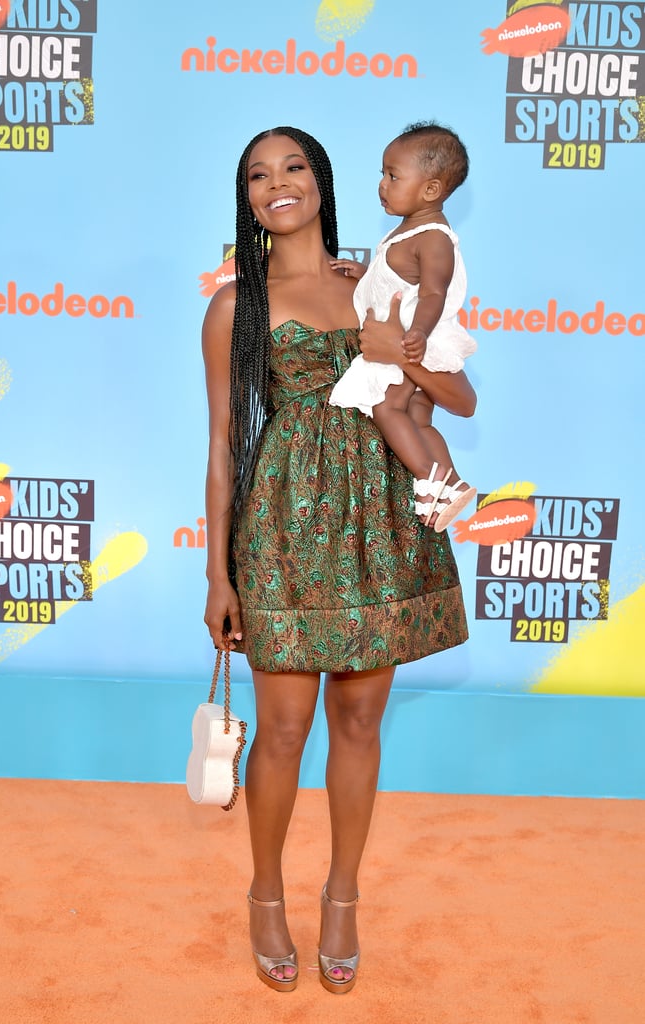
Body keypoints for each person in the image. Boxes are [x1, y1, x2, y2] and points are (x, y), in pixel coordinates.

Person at [202, 126, 475, 995]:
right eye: (257, 175)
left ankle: (343, 896)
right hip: (282, 527)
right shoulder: (233, 304)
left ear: (320, 182)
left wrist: (399, 345)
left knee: (359, 724)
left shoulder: (378, 281)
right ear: (246, 199)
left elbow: (451, 390)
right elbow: (221, 445)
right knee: (282, 731)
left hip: (376, 519)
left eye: (291, 168)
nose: (274, 185)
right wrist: (218, 572)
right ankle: (267, 894)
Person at [329, 121, 477, 532]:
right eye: (382, 174)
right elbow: (397, 283)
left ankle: (430, 480)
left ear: (430, 189)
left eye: (393, 176)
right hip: (409, 338)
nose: (382, 184)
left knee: (386, 407)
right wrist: (365, 274)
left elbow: (433, 294)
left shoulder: (433, 238)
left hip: (414, 341)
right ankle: (450, 481)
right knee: (419, 419)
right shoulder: (408, 230)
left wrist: (418, 335)